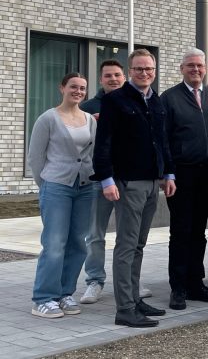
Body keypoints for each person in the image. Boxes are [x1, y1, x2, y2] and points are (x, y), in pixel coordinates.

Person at [93, 49, 174, 327]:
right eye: (139, 69)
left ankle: (135, 298)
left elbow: (162, 140)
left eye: (149, 69)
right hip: (127, 183)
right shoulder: (115, 100)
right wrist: (106, 180)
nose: (144, 73)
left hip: (153, 182)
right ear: (130, 71)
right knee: (126, 246)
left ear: (154, 70)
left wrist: (169, 174)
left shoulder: (156, 100)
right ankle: (125, 308)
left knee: (139, 244)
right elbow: (103, 143)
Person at [161, 48, 208, 311]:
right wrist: (167, 173)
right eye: (190, 65)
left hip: (207, 174)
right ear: (182, 69)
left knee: (199, 231)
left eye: (200, 65)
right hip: (180, 175)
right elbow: (164, 140)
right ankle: (178, 287)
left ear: (205, 69)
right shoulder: (169, 98)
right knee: (181, 231)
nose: (196, 70)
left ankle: (195, 283)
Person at [80, 60, 152, 304]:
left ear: (125, 76)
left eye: (117, 75)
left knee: (129, 237)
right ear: (101, 79)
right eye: (108, 75)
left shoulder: (138, 101)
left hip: (127, 180)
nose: (113, 79)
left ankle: (132, 281)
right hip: (99, 180)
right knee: (96, 233)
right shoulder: (87, 107)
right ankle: (94, 280)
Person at [28, 73, 98, 319]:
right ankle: (43, 298)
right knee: (54, 244)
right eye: (73, 87)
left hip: (85, 187)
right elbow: (35, 157)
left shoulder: (90, 120)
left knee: (78, 243)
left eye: (82, 88)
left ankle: (65, 293)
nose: (78, 91)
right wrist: (46, 184)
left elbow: (93, 154)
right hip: (56, 185)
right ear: (62, 88)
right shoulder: (48, 118)